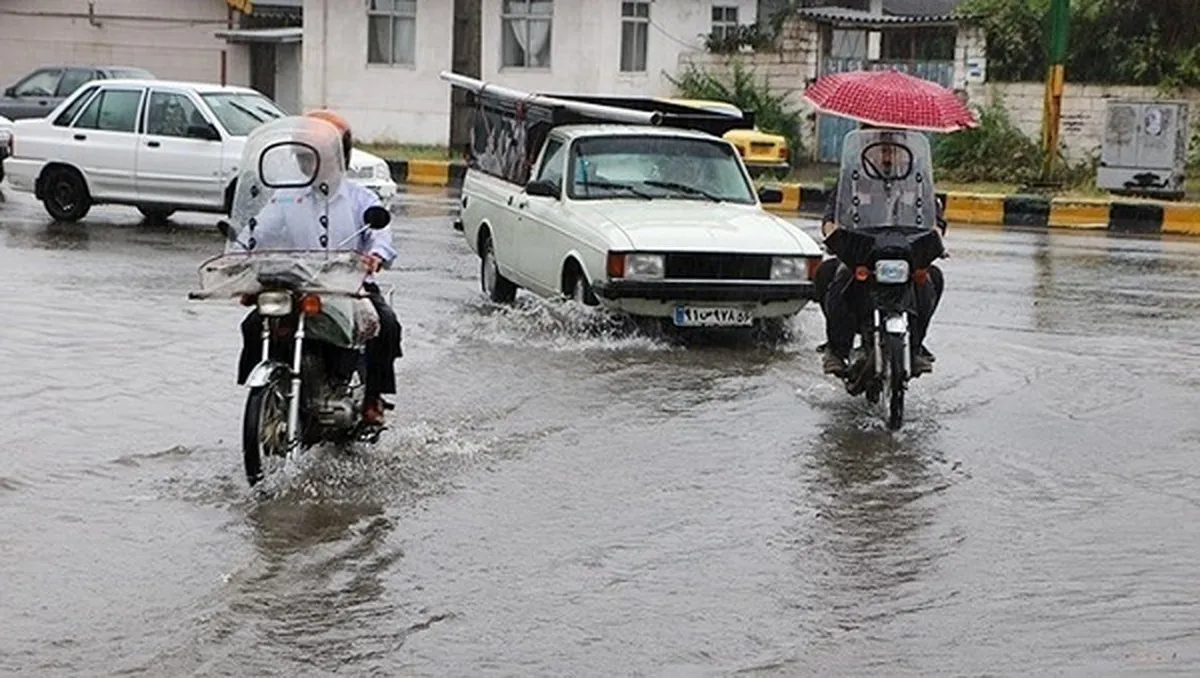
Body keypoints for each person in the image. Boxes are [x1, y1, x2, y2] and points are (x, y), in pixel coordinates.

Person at [236, 110, 403, 426]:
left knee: (387, 324)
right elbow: (259, 229)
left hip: (348, 285)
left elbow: (381, 236)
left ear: (338, 157)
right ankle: (264, 393)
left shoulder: (360, 198)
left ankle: (372, 399)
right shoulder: (287, 197)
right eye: (302, 156)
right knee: (252, 325)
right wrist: (240, 250)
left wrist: (376, 255)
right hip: (297, 283)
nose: (307, 164)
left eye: (314, 156)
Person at [815, 124, 945, 377]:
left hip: (905, 250)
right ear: (867, 144)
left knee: (931, 279)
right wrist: (833, 235)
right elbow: (831, 217)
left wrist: (936, 239)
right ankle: (837, 349)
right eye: (880, 141)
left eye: (893, 141)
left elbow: (935, 220)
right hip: (863, 250)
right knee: (835, 275)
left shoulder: (918, 178)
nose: (887, 150)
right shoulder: (852, 177)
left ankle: (916, 347)